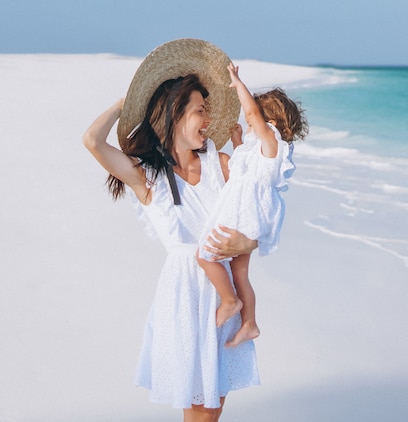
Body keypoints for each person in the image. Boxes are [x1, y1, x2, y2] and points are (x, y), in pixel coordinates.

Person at [82, 39, 260, 422]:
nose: (208, 120)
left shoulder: (222, 165)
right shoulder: (147, 176)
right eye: (200, 111)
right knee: (197, 409)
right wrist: (129, 102)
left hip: (221, 294)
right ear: (176, 114)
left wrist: (249, 242)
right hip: (181, 295)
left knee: (211, 409)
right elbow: (92, 141)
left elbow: (257, 213)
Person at [197, 63, 309, 348]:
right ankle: (249, 323)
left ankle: (230, 301)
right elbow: (245, 171)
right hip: (249, 211)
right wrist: (237, 142)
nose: (249, 125)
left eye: (254, 121)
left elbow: (252, 113)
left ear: (269, 122)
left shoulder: (272, 144)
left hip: (244, 212)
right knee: (240, 272)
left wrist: (237, 83)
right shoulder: (261, 152)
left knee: (205, 255)